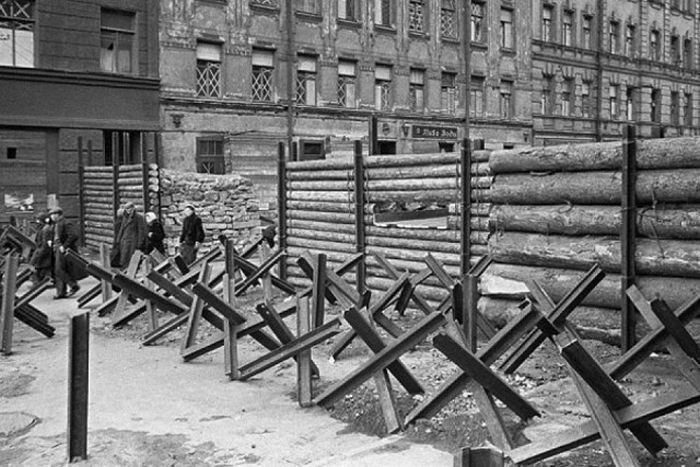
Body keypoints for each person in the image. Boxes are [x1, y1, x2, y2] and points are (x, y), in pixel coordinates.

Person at [50, 207, 81, 298]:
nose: (51, 216)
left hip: (62, 250)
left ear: (57, 214)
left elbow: (74, 235)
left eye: (52, 214)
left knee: (59, 270)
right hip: (57, 249)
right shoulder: (57, 224)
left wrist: (64, 246)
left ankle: (73, 285)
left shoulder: (66, 223)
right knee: (59, 271)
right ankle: (61, 292)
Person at [112, 202, 147, 269]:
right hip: (124, 241)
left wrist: (139, 243)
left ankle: (129, 272)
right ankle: (124, 270)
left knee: (131, 259)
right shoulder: (125, 217)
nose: (128, 210)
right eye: (127, 209)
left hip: (133, 241)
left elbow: (141, 231)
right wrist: (118, 240)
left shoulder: (138, 217)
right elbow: (122, 229)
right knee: (123, 258)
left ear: (133, 208)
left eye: (129, 208)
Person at [30, 213, 54, 284]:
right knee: (38, 269)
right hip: (41, 252)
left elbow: (45, 245)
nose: (36, 224)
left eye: (38, 222)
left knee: (41, 269)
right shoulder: (42, 229)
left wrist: (38, 255)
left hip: (44, 254)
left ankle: (41, 283)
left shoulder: (45, 230)